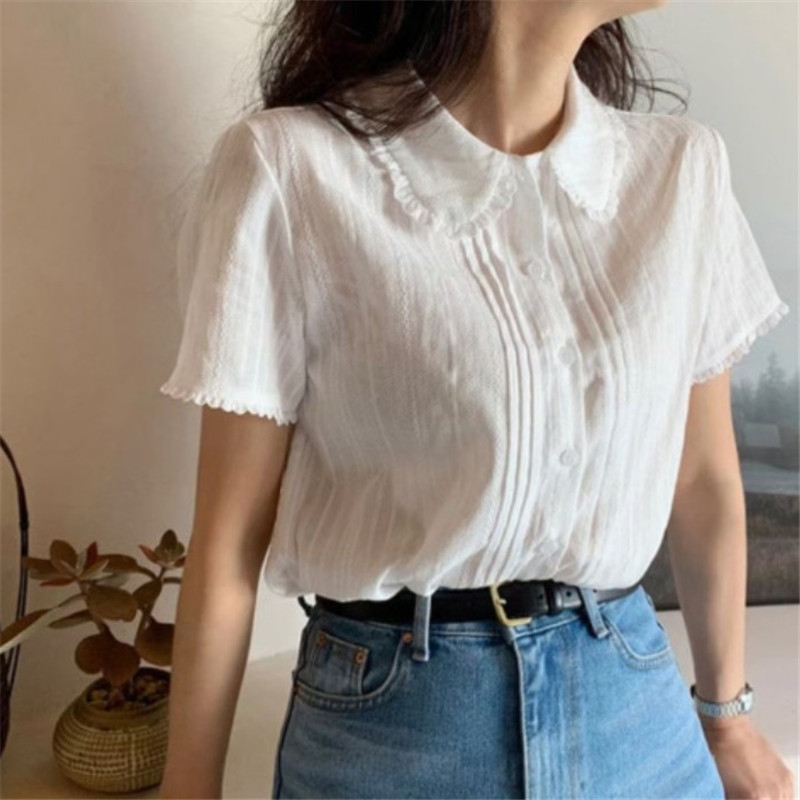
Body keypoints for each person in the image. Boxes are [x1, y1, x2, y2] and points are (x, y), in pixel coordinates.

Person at [156, 1, 795, 798]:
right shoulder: (290, 168)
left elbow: (702, 481)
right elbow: (228, 542)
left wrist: (726, 718)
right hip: (394, 731)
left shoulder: (681, 170)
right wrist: (189, 786)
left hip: (639, 719)